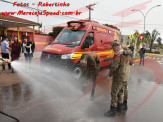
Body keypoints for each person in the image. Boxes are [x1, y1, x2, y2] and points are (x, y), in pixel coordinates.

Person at [104, 41, 133, 117]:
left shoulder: (118, 55)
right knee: (121, 92)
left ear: (116, 47)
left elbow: (114, 67)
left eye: (113, 48)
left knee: (114, 92)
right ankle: (119, 107)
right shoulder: (127, 54)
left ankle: (112, 110)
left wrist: (109, 75)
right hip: (126, 76)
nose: (112, 50)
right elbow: (131, 63)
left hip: (119, 77)